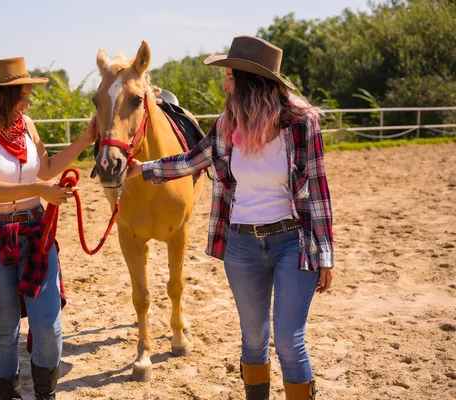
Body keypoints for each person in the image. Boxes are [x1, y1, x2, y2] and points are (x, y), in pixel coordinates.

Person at [126, 36, 334, 400]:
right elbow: (192, 159)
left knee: (288, 339)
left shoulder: (302, 125)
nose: (224, 83)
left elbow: (318, 190)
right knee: (253, 339)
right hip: (242, 246)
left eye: (229, 77)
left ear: (250, 82)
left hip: (293, 243)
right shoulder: (227, 124)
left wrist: (326, 253)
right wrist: (143, 169)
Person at [0, 57, 97, 400]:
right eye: (24, 95)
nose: (29, 101)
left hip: (34, 231)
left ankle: (46, 394)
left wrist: (85, 139)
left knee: (47, 323)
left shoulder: (27, 125)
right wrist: (40, 191)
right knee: (4, 328)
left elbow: (45, 168)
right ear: (3, 96)